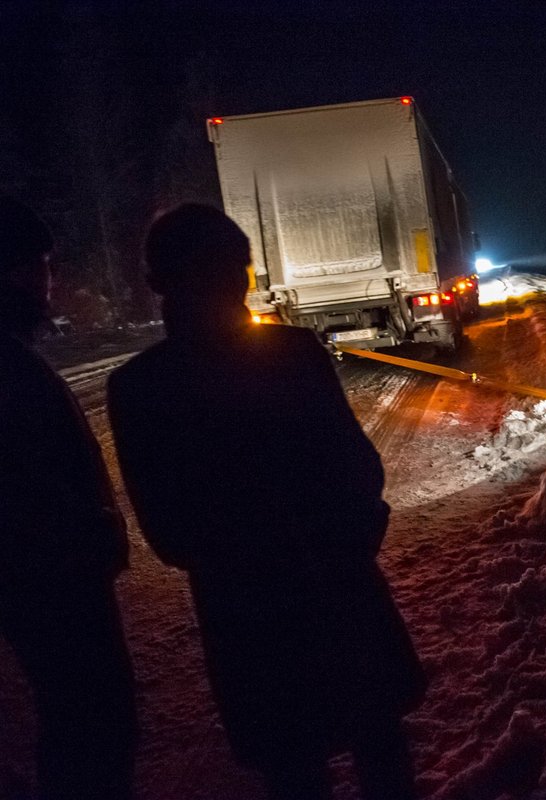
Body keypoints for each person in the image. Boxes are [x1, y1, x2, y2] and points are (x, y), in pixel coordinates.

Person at [107, 204, 425, 800]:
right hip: (338, 589)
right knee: (379, 751)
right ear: (241, 276)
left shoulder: (139, 387)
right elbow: (359, 470)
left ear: (156, 284)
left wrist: (238, 562)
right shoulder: (293, 355)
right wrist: (351, 545)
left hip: (245, 619)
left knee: (294, 768)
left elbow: (168, 532)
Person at [0, 197, 137, 799]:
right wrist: (90, 545)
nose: (47, 284)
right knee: (90, 729)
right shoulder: (12, 372)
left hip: (48, 581)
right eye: (40, 266)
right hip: (52, 586)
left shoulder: (18, 363)